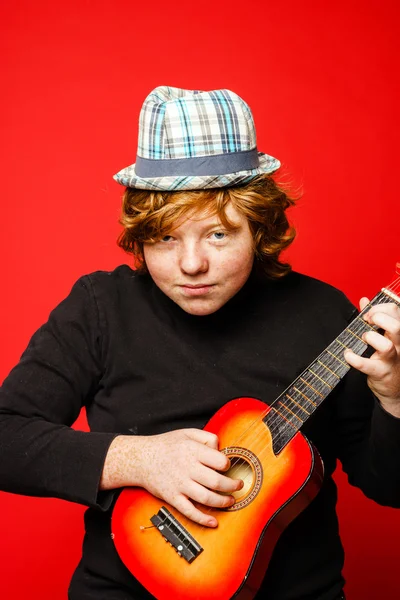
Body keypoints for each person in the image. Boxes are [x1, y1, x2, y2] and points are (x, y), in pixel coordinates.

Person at [0, 86, 399, 600]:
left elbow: (390, 489)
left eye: (218, 235)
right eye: (166, 237)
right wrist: (138, 459)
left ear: (260, 228)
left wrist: (393, 398)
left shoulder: (326, 314)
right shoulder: (100, 307)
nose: (191, 265)